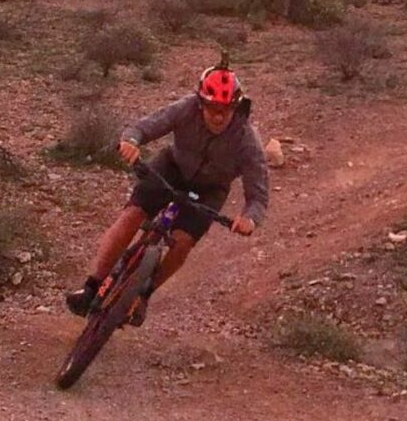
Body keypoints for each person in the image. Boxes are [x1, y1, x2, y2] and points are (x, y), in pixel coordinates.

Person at [64, 60, 270, 326]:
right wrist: (131, 141)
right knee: (132, 216)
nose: (218, 116)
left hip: (210, 189)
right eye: (212, 108)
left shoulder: (246, 140)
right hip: (170, 167)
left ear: (236, 107)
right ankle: (91, 288)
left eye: (226, 110)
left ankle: (143, 294)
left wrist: (249, 218)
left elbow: (259, 194)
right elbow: (147, 125)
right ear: (200, 103)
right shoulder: (186, 109)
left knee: (182, 242)